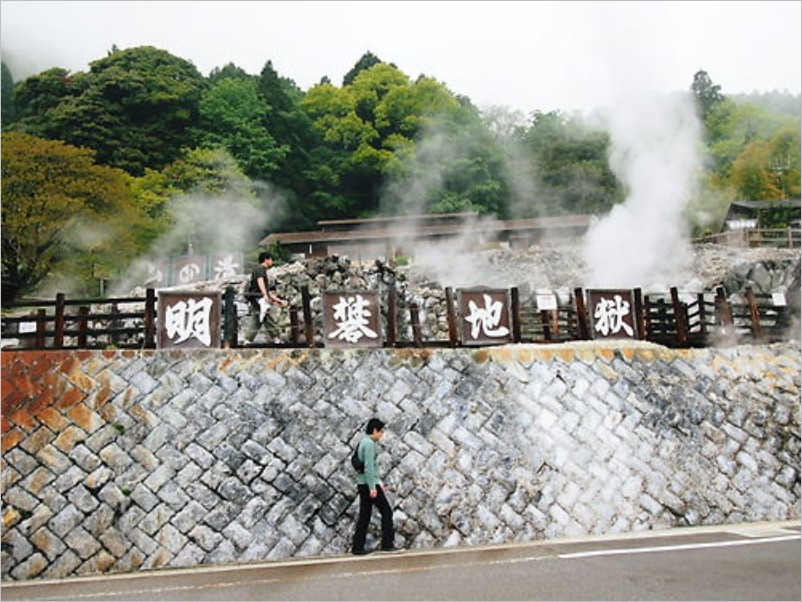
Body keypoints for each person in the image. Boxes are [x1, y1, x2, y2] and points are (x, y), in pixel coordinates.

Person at [352, 417, 398, 555]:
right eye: (381, 431)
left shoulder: (363, 442)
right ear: (374, 430)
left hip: (363, 483)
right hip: (368, 485)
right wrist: (373, 487)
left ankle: (357, 547)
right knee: (387, 512)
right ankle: (387, 544)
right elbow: (369, 467)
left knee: (364, 516)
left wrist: (378, 483)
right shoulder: (370, 444)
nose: (382, 435)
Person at [244, 252, 288, 344]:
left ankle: (248, 339)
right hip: (258, 298)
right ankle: (276, 338)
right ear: (266, 259)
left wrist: (278, 300)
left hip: (256, 297)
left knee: (258, 318)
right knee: (266, 317)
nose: (272, 262)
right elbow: (260, 282)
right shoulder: (260, 268)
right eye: (271, 259)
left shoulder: (259, 269)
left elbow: (267, 291)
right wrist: (264, 295)